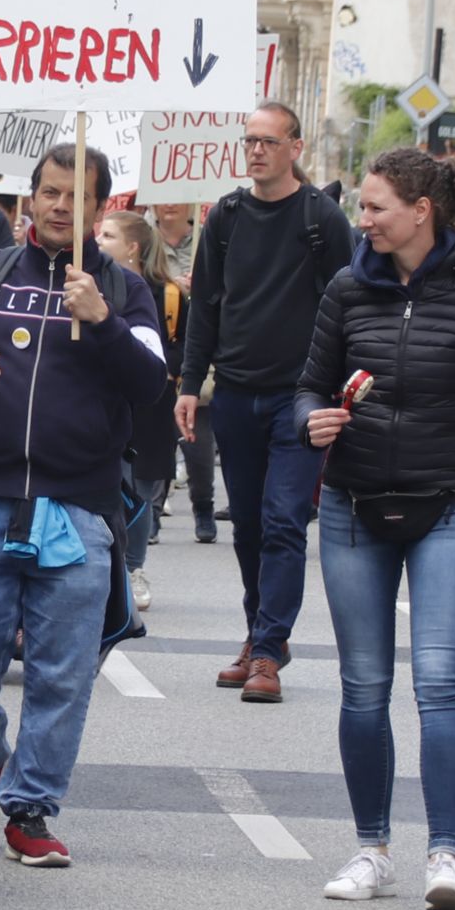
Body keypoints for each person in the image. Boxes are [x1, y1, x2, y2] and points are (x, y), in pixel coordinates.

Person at [294, 147, 455, 910]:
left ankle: (446, 855)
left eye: (375, 207)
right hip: (353, 505)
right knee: (363, 688)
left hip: (450, 505)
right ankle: (372, 850)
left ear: (420, 211)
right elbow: (309, 385)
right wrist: (311, 419)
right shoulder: (347, 287)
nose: (363, 219)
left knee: (439, 683)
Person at [0, 145, 167, 867]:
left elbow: (150, 386)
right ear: (30, 197)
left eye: (77, 195)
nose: (61, 206)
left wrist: (102, 321)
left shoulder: (124, 289)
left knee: (63, 672)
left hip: (80, 507)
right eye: (51, 192)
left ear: (101, 206)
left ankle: (30, 808)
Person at [176, 103, 354, 702]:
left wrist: (343, 389)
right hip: (234, 393)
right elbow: (205, 307)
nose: (255, 150)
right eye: (249, 140)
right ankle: (259, 633)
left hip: (299, 400)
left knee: (283, 522)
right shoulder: (225, 217)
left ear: (295, 148)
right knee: (248, 526)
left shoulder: (322, 218)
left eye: (268, 141)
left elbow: (349, 304)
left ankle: (269, 651)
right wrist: (189, 384)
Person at [97, 210, 180, 615]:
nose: (99, 241)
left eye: (108, 235)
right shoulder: (91, 284)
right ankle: (107, 566)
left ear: (132, 247)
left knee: (140, 490)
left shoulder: (165, 293)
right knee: (113, 486)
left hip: (150, 405)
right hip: (110, 402)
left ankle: (134, 568)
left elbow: (179, 346)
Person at [147, 201, 215, 543]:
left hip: (195, 354)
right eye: (163, 197)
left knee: (197, 446)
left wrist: (202, 289)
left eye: (177, 197)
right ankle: (153, 513)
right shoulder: (145, 239)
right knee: (157, 444)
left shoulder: (209, 237)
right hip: (162, 356)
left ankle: (203, 506)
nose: (170, 204)